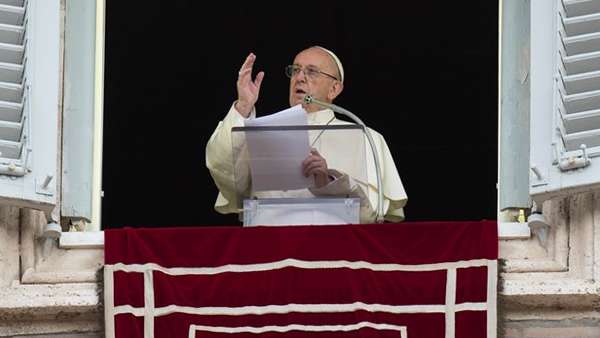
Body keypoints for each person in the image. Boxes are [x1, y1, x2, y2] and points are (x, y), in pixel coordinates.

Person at [205, 46, 407, 223]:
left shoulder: (364, 137)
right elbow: (225, 175)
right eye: (295, 70)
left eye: (312, 72)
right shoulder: (261, 132)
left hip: (335, 252)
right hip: (269, 248)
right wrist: (243, 105)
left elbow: (373, 214)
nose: (300, 77)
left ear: (334, 88)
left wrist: (330, 181)